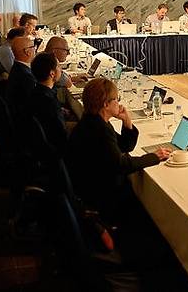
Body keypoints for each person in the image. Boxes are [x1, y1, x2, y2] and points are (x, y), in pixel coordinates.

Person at [66, 78, 170, 222]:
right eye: (117, 99)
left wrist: (127, 121)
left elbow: (124, 147)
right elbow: (121, 164)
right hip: (102, 196)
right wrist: (154, 157)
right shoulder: (98, 129)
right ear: (105, 104)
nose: (119, 103)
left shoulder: (94, 120)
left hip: (91, 187)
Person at [30, 52, 67, 156]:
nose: (61, 70)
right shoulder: (49, 102)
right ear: (52, 73)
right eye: (59, 67)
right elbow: (62, 135)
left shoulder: (36, 91)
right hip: (55, 151)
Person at [5, 36, 37, 119]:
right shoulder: (26, 76)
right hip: (26, 120)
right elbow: (36, 103)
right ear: (27, 52)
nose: (35, 49)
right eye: (33, 47)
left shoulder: (17, 67)